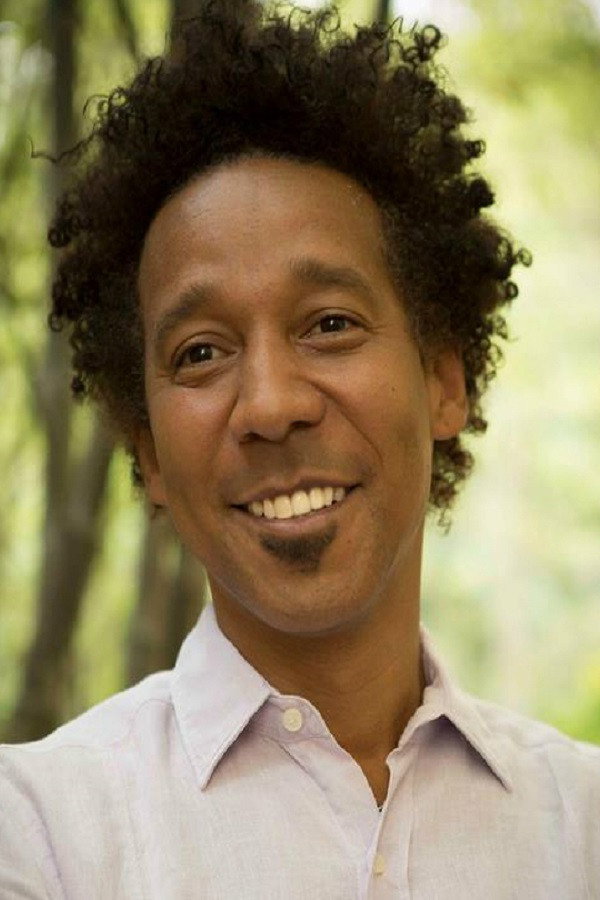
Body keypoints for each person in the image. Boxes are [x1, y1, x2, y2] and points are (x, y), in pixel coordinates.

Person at [1, 1, 598, 896]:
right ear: (150, 453)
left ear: (444, 380)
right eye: (200, 353)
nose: (272, 406)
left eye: (329, 324)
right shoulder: (39, 835)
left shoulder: (582, 826)